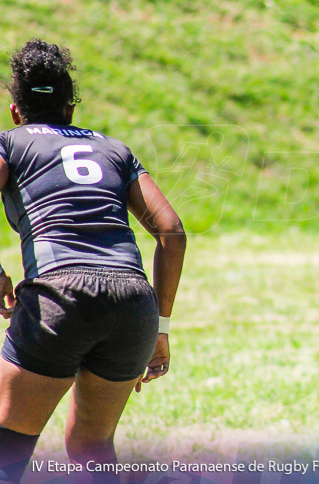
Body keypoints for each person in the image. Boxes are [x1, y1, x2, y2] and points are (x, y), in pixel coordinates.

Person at [0, 39, 186, 483]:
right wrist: (159, 327)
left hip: (59, 295)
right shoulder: (114, 149)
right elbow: (172, 233)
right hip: (134, 301)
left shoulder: (9, 142)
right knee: (91, 448)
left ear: (15, 111)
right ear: (70, 109)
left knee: (7, 445)